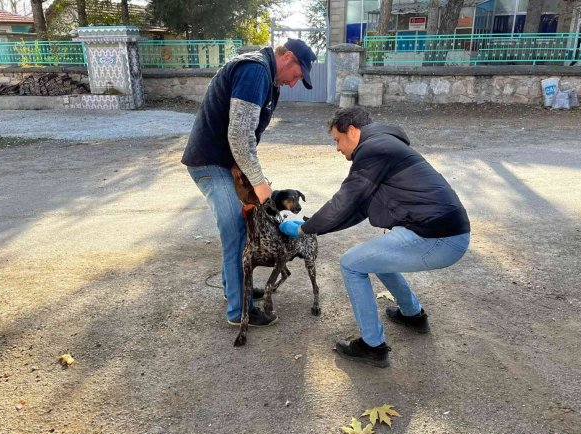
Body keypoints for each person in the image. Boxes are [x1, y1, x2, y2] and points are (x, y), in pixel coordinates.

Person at [279, 107, 471, 368]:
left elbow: (345, 200)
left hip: (440, 237)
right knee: (373, 258)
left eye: (337, 139)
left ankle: (373, 346)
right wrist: (312, 225)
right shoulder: (384, 146)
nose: (337, 148)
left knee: (351, 263)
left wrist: (303, 229)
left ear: (353, 131)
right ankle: (413, 315)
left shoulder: (374, 150)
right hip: (441, 231)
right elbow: (358, 207)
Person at [182, 39, 317, 328]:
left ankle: (234, 285)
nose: (295, 83)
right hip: (210, 162)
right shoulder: (255, 70)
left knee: (242, 227)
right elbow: (241, 136)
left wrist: (246, 171)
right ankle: (238, 310)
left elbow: (244, 135)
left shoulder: (268, 80)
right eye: (297, 75)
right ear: (288, 57)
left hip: (225, 163)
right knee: (235, 228)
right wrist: (260, 184)